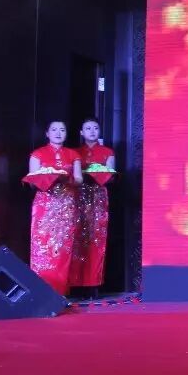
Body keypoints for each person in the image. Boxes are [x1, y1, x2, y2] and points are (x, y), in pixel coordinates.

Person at [27, 121, 84, 298]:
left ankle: (61, 292)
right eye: (54, 130)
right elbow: (32, 181)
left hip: (66, 205)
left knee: (63, 248)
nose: (58, 133)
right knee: (42, 246)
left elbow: (79, 179)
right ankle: (41, 292)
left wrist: (65, 179)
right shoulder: (37, 154)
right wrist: (48, 178)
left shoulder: (73, 154)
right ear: (47, 133)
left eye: (62, 130)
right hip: (44, 205)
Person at [71, 119, 114, 300]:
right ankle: (75, 284)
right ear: (81, 132)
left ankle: (94, 284)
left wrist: (98, 174)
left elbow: (111, 176)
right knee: (76, 240)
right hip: (77, 199)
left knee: (96, 240)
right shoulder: (74, 153)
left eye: (96, 128)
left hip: (98, 198)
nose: (92, 131)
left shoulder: (107, 152)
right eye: (88, 128)